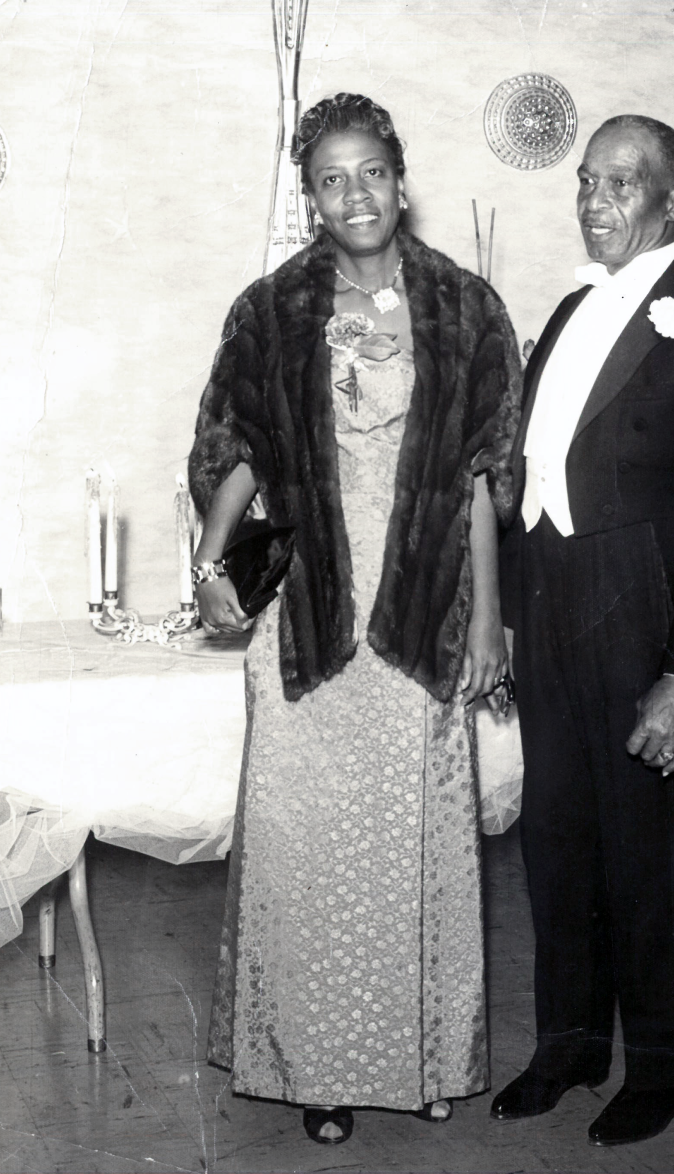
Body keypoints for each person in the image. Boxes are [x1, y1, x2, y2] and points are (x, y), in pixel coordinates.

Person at [188, 93, 521, 1146]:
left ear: (400, 177)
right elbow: (238, 449)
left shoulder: (467, 309)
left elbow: (482, 482)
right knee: (308, 849)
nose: (356, 193)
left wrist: (485, 627)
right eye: (332, 178)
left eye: (371, 169)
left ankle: (424, 1055)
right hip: (310, 612)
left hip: (422, 608)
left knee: (415, 845)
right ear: (312, 197)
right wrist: (207, 559)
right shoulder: (271, 310)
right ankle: (316, 1070)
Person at [492, 115, 674, 1146]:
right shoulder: (570, 309)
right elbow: (531, 476)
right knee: (558, 840)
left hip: (646, 614)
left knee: (652, 853)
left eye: (622, 183)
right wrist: (509, 619)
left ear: (671, 203)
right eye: (587, 181)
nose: (596, 200)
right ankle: (569, 1043)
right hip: (553, 603)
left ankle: (663, 1065)